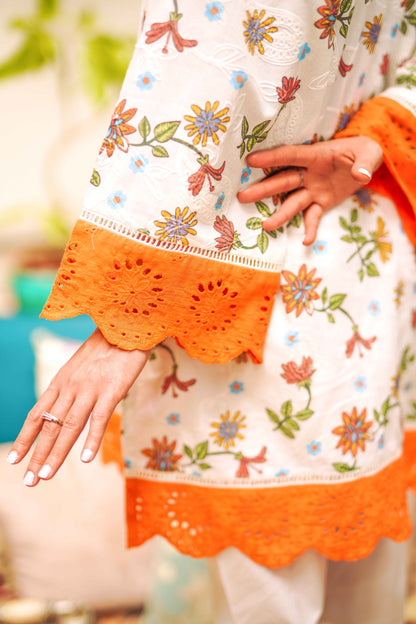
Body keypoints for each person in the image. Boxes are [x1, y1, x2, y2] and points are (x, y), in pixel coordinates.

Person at [7, 1, 416, 622]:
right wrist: (376, 138)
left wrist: (128, 315)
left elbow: (204, 76)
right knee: (365, 591)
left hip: (258, 300)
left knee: (272, 602)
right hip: (365, 281)